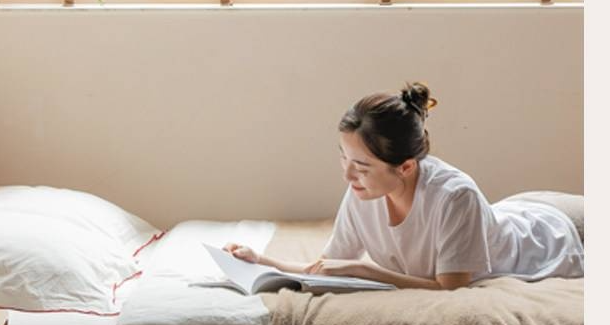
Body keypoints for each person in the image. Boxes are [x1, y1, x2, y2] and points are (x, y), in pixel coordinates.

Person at [224, 82, 584, 290]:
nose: (348, 177)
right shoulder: (362, 192)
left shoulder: (454, 197)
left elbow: (451, 291)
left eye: (362, 167)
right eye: (343, 160)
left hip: (555, 235)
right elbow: (328, 265)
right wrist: (261, 260)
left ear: (407, 166)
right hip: (510, 213)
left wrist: (365, 270)